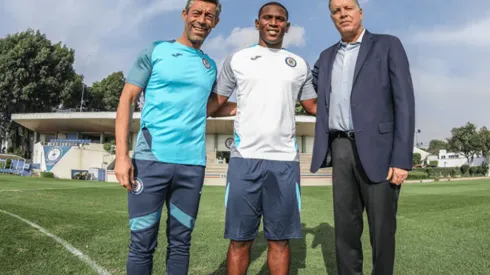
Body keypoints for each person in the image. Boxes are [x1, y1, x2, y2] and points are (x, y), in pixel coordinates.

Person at [207, 2, 317, 274]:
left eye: (279, 19)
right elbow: (214, 104)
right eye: (267, 18)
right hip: (245, 161)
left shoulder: (299, 65)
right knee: (239, 240)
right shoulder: (237, 59)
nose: (273, 23)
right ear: (257, 23)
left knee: (279, 241)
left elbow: (314, 106)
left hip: (284, 163)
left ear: (287, 26)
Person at [114, 0, 221, 274]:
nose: (202, 20)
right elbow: (127, 98)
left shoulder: (210, 65)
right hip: (150, 162)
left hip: (192, 165)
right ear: (185, 14)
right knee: (142, 243)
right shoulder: (156, 50)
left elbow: (207, 106)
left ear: (215, 22)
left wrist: (253, 103)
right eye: (196, 13)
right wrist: (122, 155)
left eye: (209, 15)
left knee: (181, 243)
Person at [309, 0, 415, 274]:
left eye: (347, 8)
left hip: (380, 150)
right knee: (345, 230)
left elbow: (404, 103)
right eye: (336, 11)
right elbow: (312, 83)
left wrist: (401, 159)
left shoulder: (388, 45)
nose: (342, 14)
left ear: (360, 12)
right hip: (341, 147)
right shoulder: (326, 56)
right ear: (332, 18)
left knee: (382, 231)